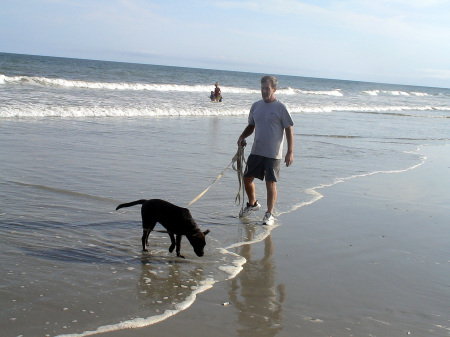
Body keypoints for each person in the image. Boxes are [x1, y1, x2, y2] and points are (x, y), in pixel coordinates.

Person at [237, 75, 294, 225]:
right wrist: (242, 137)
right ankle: (253, 203)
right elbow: (251, 126)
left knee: (270, 183)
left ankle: (269, 214)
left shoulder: (281, 107)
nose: (264, 91)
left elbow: (289, 129)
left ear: (274, 89)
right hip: (257, 150)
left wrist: (290, 151)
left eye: (267, 88)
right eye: (262, 88)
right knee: (247, 179)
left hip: (273, 153)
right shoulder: (256, 106)